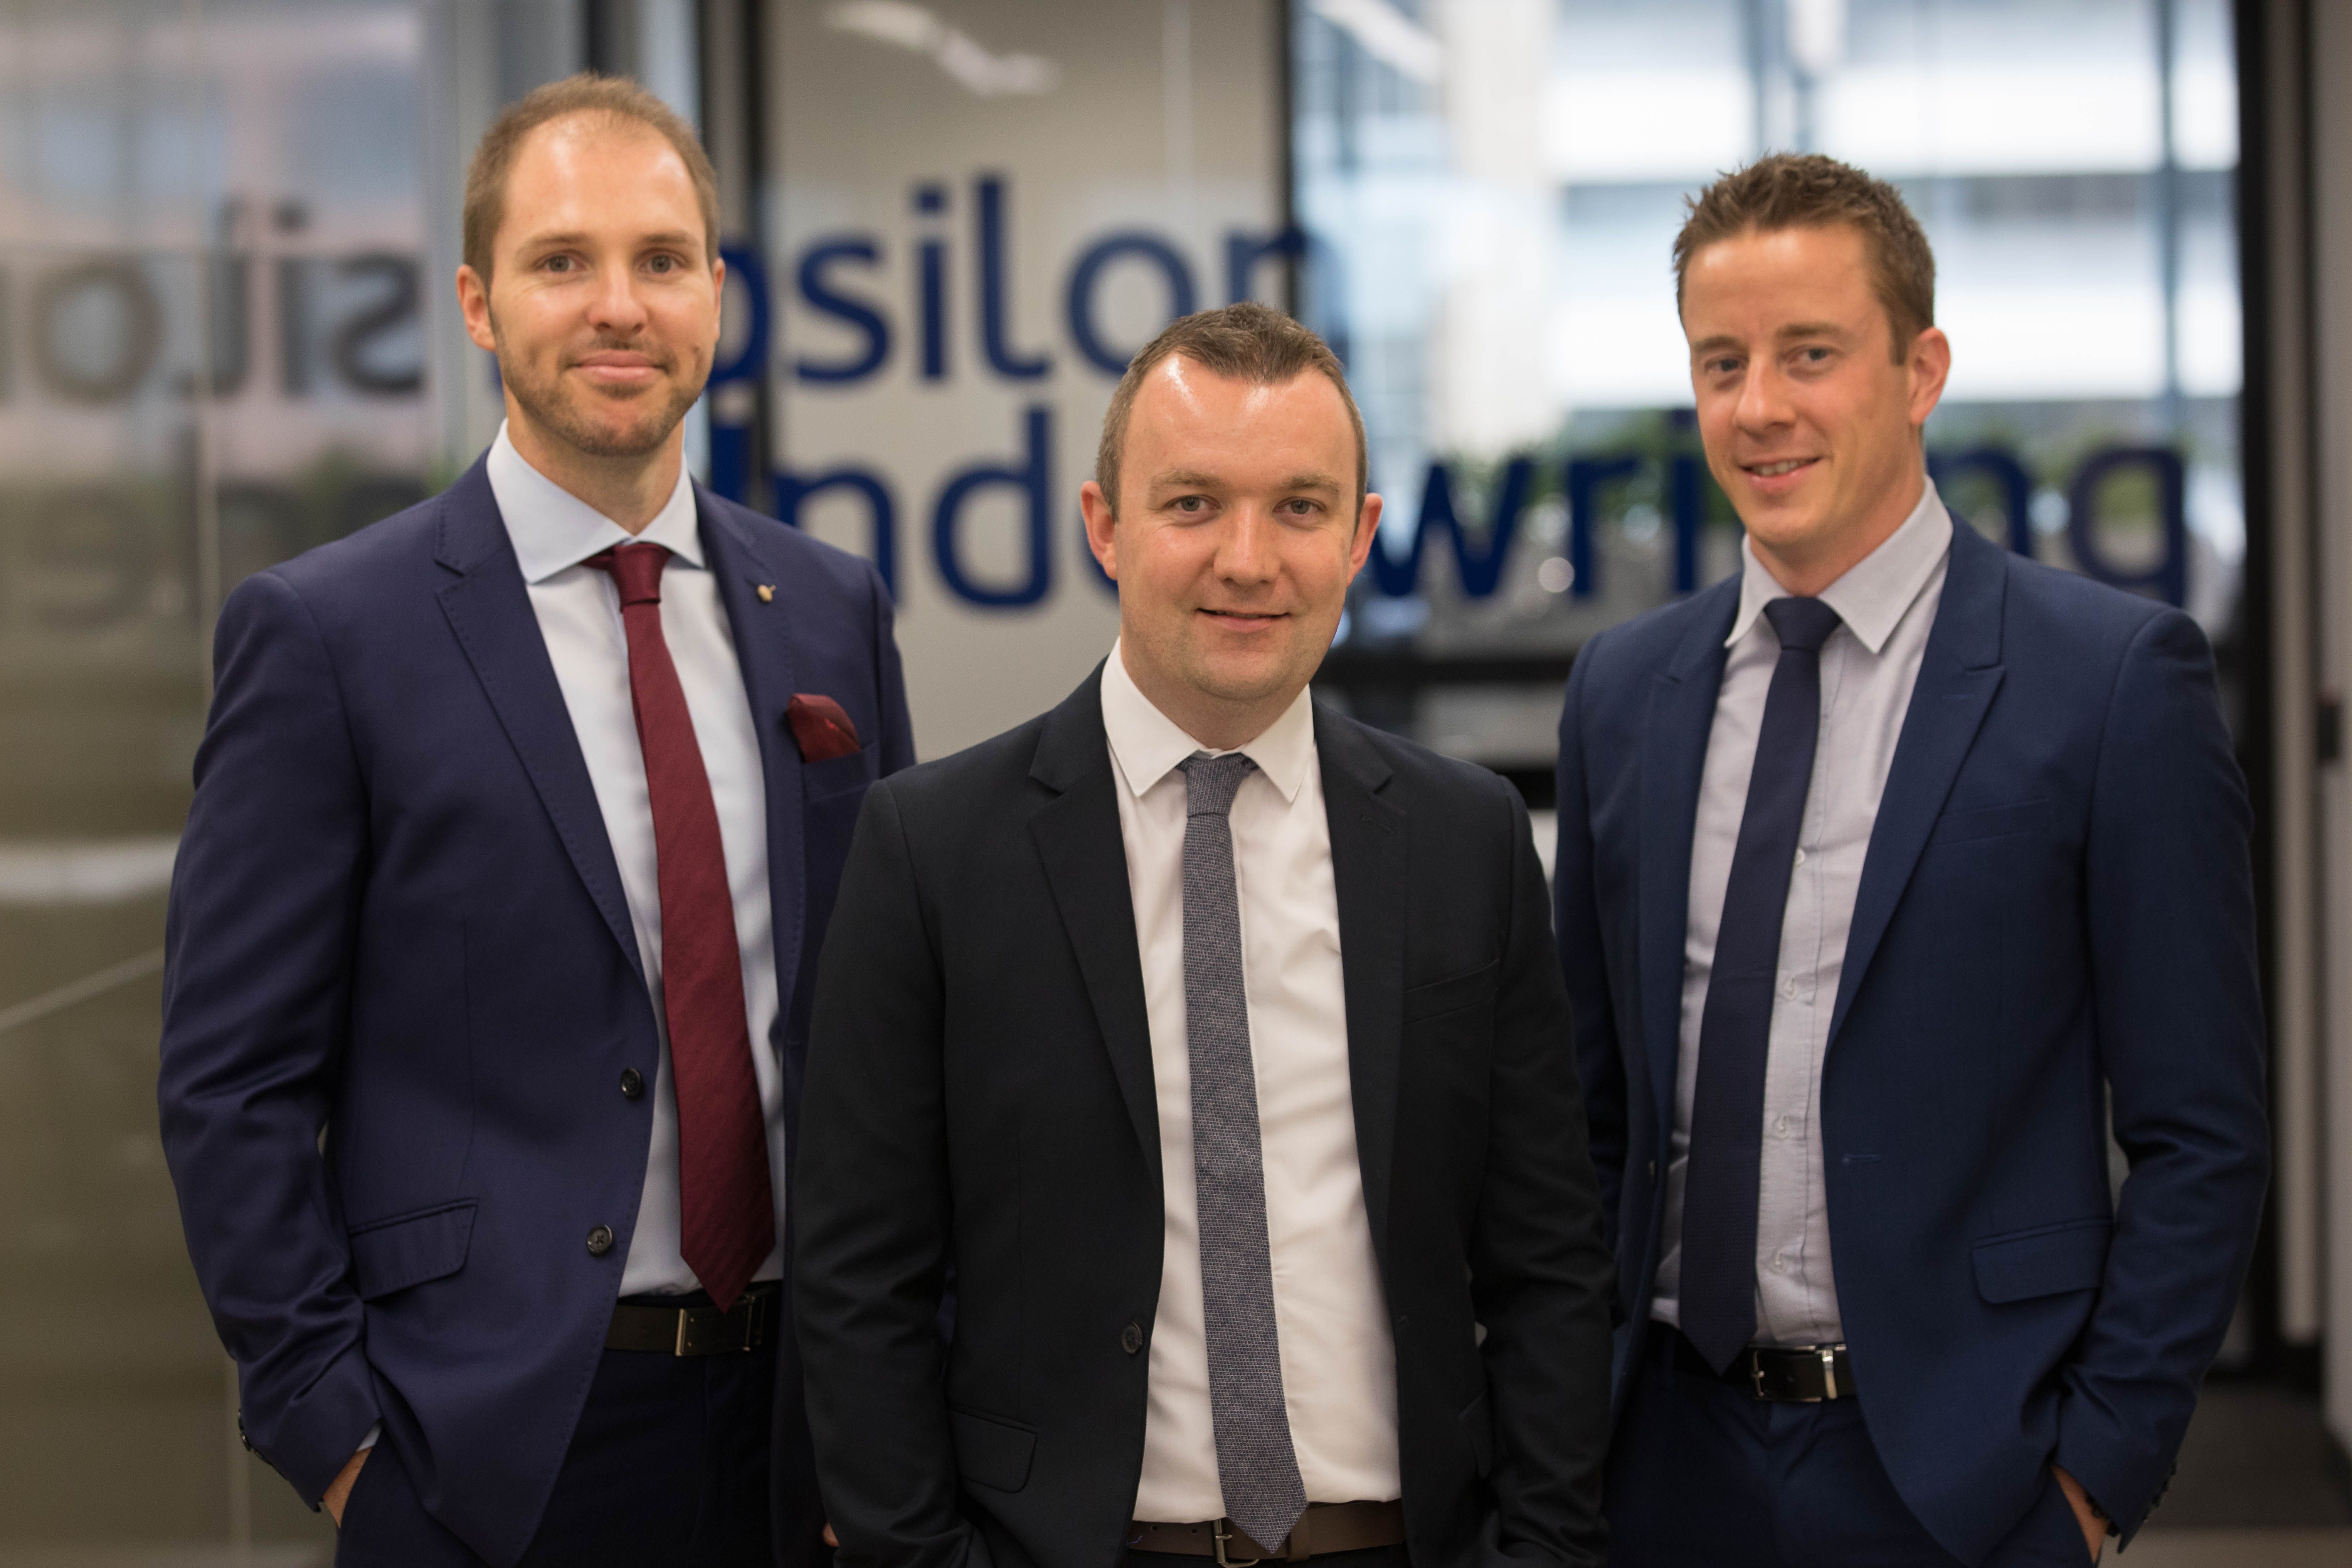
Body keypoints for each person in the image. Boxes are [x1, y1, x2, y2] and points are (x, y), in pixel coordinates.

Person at [158, 74, 913, 1568]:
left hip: (804, 1445)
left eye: (660, 259)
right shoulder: (330, 636)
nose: (617, 306)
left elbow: (897, 1035)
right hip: (486, 1454)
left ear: (718, 294)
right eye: (562, 262)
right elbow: (230, 1084)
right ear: (478, 304)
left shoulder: (826, 611)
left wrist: (901, 1399)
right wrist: (342, 1446)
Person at [791, 302, 1615, 1568]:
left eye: (1299, 506)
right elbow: (858, 1282)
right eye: (1192, 505)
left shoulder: (1468, 842)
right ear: (1104, 526)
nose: (1249, 557)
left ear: (1361, 540)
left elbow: (1549, 1261)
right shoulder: (933, 850)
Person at [1552, 153, 2269, 1566]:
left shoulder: (2111, 683)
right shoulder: (1623, 693)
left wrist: (2096, 1475)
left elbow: (2205, 1132)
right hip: (1658, 1471)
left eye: (1810, 354)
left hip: (1961, 1476)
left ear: (1920, 368)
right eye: (1722, 361)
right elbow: (1590, 1114)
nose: (1760, 407)